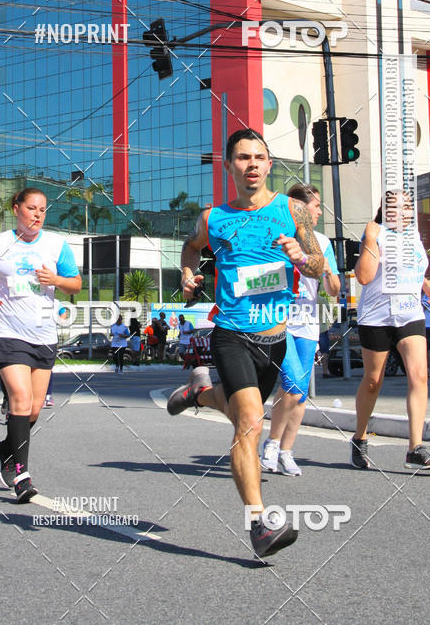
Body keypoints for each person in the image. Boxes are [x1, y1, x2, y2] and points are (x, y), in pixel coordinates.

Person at [167, 128, 324, 558]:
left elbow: (320, 269)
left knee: (237, 405)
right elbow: (189, 247)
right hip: (232, 333)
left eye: (259, 157)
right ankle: (259, 524)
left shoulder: (293, 210)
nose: (251, 164)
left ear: (269, 164)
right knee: (250, 422)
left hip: (274, 337)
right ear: (229, 165)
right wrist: (187, 273)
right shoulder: (212, 217)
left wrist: (301, 257)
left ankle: (200, 394)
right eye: (242, 157)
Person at [0, 188, 81, 502]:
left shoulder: (56, 244)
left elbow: (75, 283)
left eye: (43, 210)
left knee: (33, 410)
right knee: (20, 399)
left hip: (43, 334)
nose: (37, 214)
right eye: (32, 208)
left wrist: (56, 281)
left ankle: (6, 449)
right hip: (6, 332)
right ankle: (22, 475)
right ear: (16, 208)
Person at [351, 189, 430, 471]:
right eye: (397, 208)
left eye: (408, 208)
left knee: (419, 375)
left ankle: (415, 448)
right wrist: (369, 239)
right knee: (373, 380)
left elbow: (411, 267)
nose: (404, 213)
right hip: (376, 317)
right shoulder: (375, 232)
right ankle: (360, 437)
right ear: (384, 210)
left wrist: (425, 283)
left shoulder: (413, 235)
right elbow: (364, 276)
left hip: (410, 314)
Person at [261, 184, 340, 476]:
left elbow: (333, 289)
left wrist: (329, 270)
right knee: (293, 383)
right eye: (316, 205)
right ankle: (271, 443)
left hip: (308, 322)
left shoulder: (322, 241)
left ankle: (285, 451)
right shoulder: (278, 234)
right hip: (279, 319)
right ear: (298, 206)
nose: (319, 211)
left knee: (300, 394)